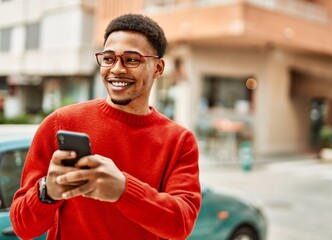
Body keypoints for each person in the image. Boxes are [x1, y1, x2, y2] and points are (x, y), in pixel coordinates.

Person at [10, 14, 201, 240]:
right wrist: (47, 191)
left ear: (158, 68)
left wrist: (123, 190)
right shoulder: (60, 123)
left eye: (131, 60)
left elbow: (181, 224)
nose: (116, 69)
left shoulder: (179, 140)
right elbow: (23, 228)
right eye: (109, 58)